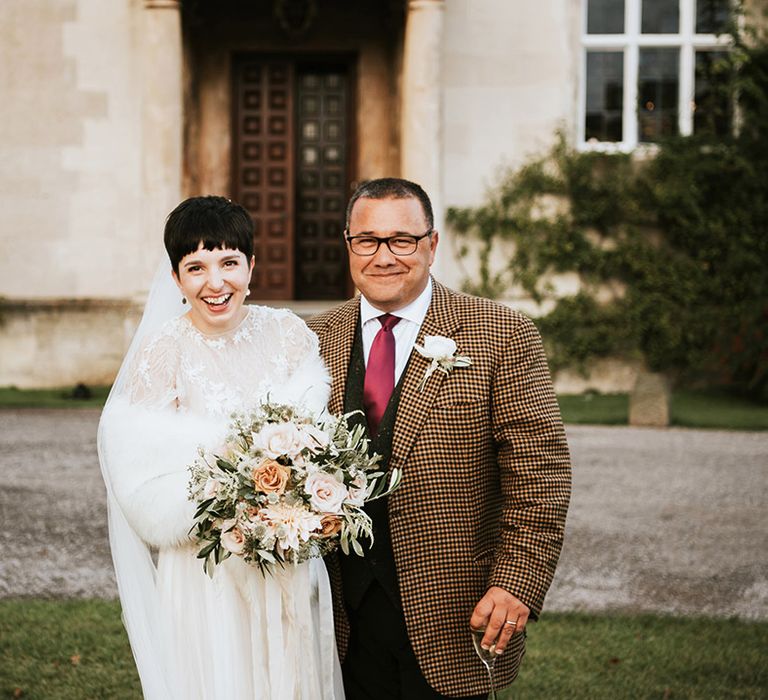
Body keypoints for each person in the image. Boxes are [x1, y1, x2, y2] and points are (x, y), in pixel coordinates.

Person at [307, 178, 572, 699]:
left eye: (401, 240)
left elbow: (540, 474)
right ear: (349, 245)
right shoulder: (311, 338)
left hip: (451, 613)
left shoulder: (501, 332)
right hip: (337, 619)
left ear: (432, 243)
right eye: (367, 240)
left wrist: (517, 581)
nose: (384, 256)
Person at [98, 196, 344, 700]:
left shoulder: (287, 333)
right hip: (204, 572)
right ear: (176, 279)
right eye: (196, 268)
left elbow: (320, 440)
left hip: (287, 564)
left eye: (229, 262)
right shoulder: (162, 351)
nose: (216, 283)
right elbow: (143, 473)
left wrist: (298, 500)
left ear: (252, 265)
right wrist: (229, 508)